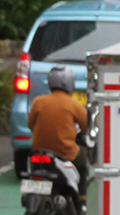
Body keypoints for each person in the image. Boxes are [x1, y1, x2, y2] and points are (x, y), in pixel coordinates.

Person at [28, 65, 89, 201]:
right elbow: (87, 129)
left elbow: (31, 125)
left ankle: (31, 194)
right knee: (86, 162)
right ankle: (82, 198)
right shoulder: (75, 104)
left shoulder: (38, 101)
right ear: (69, 82)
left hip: (39, 153)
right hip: (65, 153)